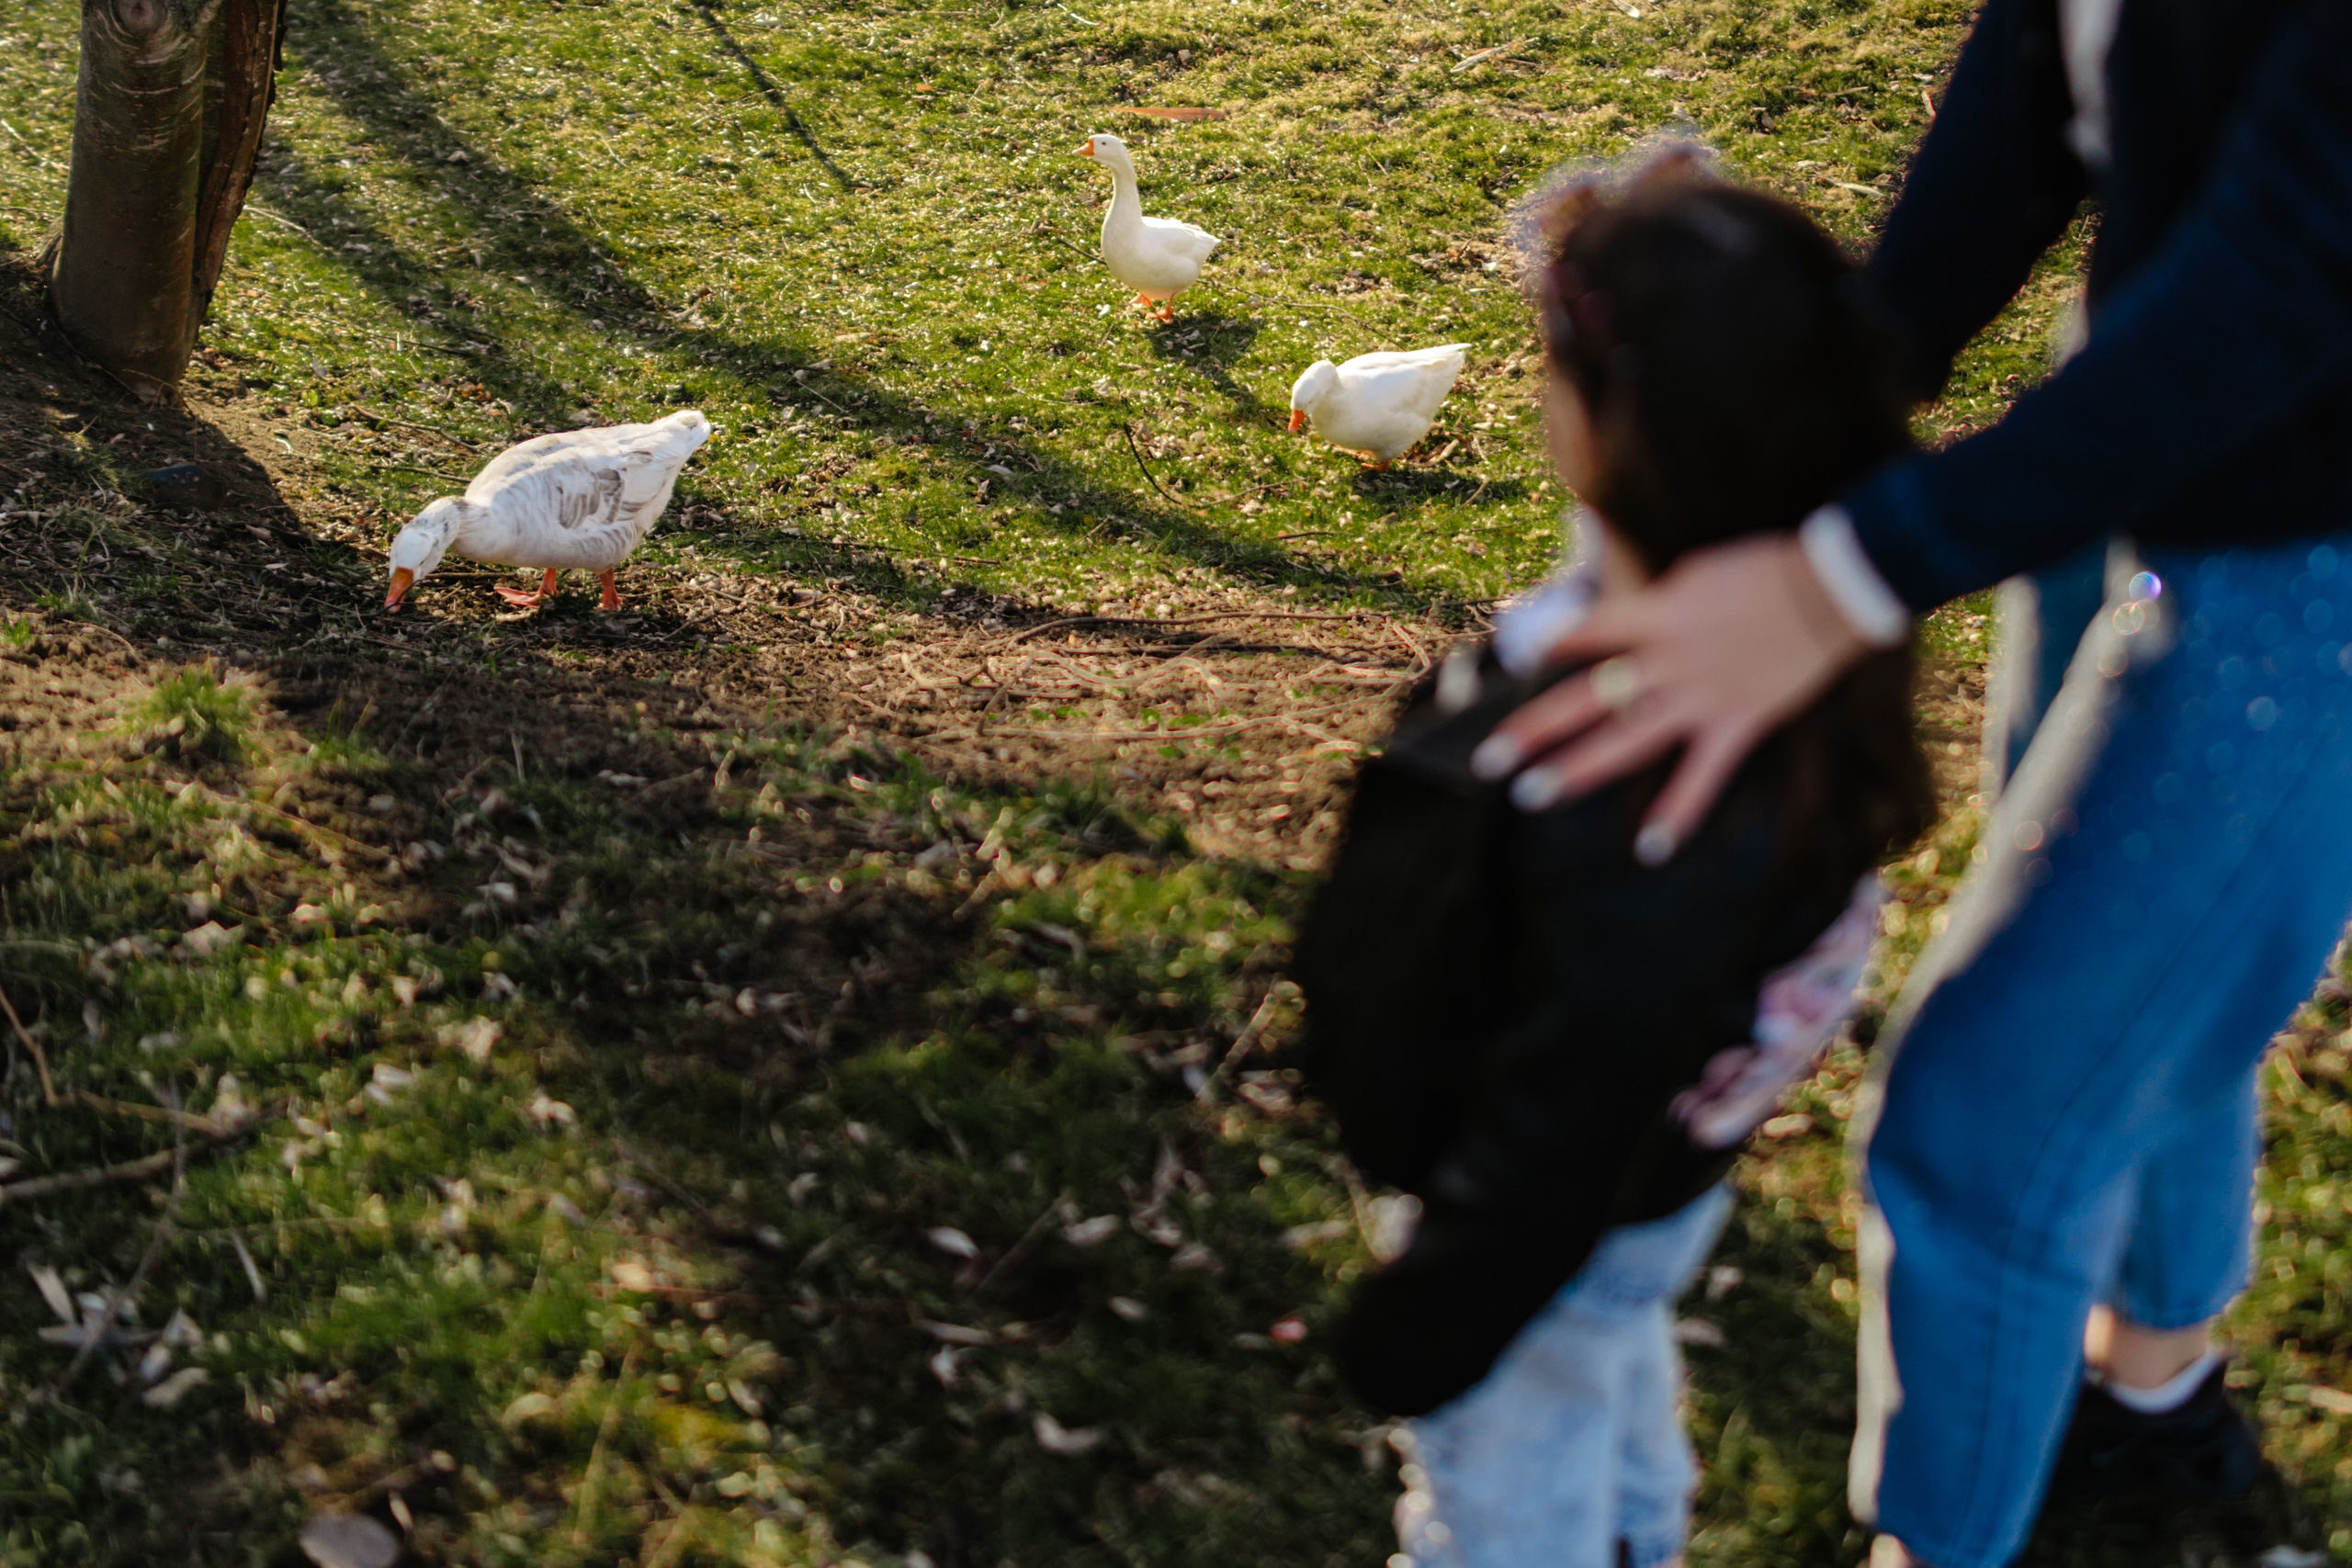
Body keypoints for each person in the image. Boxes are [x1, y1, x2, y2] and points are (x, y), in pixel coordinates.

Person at [1476, 4, 2352, 1563]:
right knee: (2136, 993)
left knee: (1979, 1123)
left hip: (2307, 556)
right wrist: (1775, 453)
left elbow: (2289, 271)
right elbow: (2021, 130)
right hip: (2137, 444)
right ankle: (2153, 1409)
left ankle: (2011, 1509)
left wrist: (1838, 579)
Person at [1300, 159, 1931, 1568]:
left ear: (1620, 425)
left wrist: (1432, 1314)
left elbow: (1573, 1094)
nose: (1534, 394)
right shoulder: (1795, 633)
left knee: (1507, 1472)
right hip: (1660, 1185)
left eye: (1552, 368)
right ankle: (1641, 1532)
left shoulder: (1630, 771)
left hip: (1529, 1213)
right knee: (1610, 1345)